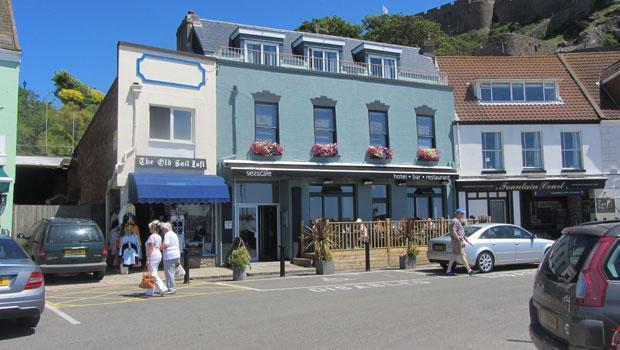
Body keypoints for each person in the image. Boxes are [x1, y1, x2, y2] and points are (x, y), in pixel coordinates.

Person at [446, 209, 477, 276]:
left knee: (454, 255)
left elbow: (459, 231)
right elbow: (453, 231)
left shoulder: (457, 221)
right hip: (457, 241)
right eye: (461, 214)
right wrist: (459, 239)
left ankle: (448, 270)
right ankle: (469, 270)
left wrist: (464, 238)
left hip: (456, 241)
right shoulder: (455, 221)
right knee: (463, 255)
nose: (463, 215)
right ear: (457, 214)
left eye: (463, 214)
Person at [144, 220, 168, 297]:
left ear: (153, 229)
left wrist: (148, 258)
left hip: (153, 255)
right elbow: (160, 246)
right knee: (153, 272)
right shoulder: (159, 236)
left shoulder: (151, 237)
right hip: (158, 254)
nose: (149, 229)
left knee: (152, 274)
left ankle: (163, 288)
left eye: (150, 228)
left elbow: (150, 248)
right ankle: (150, 291)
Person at [160, 222, 181, 294]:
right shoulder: (174, 234)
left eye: (163, 228)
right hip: (176, 255)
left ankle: (171, 289)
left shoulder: (167, 234)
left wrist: (158, 247)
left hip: (169, 256)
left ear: (167, 228)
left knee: (169, 273)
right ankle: (172, 288)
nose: (162, 230)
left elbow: (166, 245)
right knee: (172, 272)